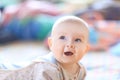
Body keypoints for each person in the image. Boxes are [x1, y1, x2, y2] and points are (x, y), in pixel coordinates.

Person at [0, 16, 89, 80]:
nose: (70, 44)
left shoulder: (80, 70)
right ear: (51, 43)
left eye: (77, 40)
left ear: (86, 48)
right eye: (62, 38)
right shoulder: (48, 69)